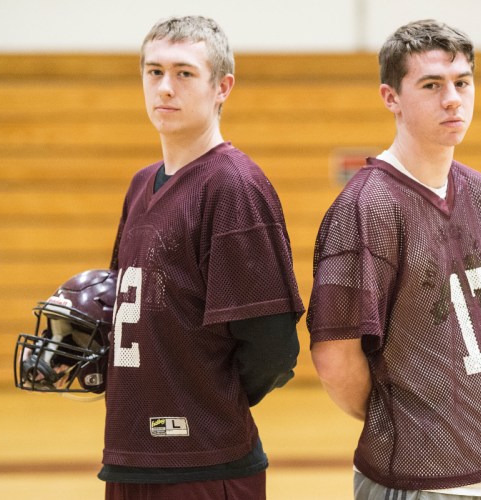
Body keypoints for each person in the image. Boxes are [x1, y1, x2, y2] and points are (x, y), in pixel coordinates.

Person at [307, 19, 481, 500]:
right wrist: (399, 421)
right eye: (432, 85)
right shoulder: (367, 207)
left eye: (462, 82)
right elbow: (333, 355)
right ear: (390, 97)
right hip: (416, 483)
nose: (453, 99)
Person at [98, 16, 304, 500]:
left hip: (206, 466)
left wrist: (206, 400)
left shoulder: (233, 186)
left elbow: (272, 349)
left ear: (222, 87)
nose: (165, 88)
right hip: (129, 458)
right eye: (154, 72)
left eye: (184, 73)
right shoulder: (140, 184)